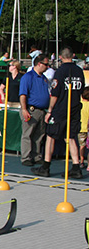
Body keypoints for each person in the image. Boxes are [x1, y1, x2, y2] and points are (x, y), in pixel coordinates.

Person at [32, 46, 86, 178]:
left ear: (60, 57)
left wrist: (50, 110)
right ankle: (76, 166)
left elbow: (55, 93)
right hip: (75, 107)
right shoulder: (79, 71)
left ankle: (46, 166)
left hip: (61, 108)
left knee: (51, 135)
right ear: (73, 56)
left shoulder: (60, 72)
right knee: (72, 136)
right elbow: (82, 90)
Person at [18, 54, 51, 167]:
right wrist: (24, 109)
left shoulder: (44, 78)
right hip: (31, 109)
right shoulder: (28, 77)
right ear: (39, 64)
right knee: (28, 134)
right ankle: (26, 157)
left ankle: (36, 156)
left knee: (39, 135)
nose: (47, 67)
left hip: (42, 110)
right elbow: (23, 94)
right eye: (46, 64)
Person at [80, 87, 89, 169]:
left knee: (81, 146)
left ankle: (81, 161)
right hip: (88, 128)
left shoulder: (79, 103)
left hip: (81, 128)